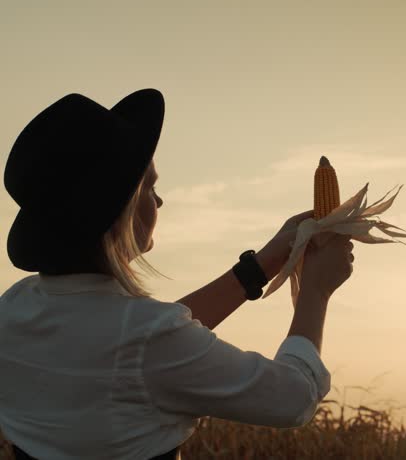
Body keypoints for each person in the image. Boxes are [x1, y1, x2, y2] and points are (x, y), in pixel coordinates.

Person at [0, 89, 353, 460]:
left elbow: (137, 343)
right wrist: (315, 291)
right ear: (121, 214)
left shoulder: (13, 311)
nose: (160, 200)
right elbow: (294, 399)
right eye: (150, 187)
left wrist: (263, 264)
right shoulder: (146, 339)